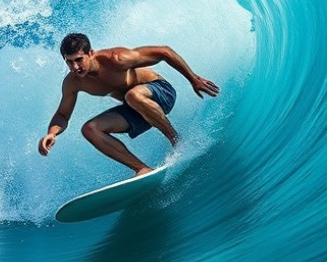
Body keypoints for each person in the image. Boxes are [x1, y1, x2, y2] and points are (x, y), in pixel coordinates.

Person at [38, 32, 220, 176]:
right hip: (135, 109)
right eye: (69, 62)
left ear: (91, 53)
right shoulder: (73, 82)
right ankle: (142, 169)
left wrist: (193, 78)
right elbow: (62, 115)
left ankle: (177, 141)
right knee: (89, 129)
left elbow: (164, 51)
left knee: (133, 95)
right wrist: (52, 133)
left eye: (79, 60)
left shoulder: (116, 59)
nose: (75, 67)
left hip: (161, 93)